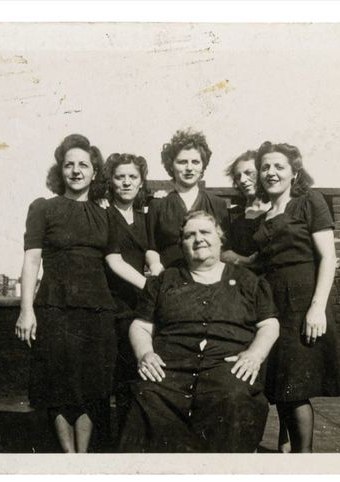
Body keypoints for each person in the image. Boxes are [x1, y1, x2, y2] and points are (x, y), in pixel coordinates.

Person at [119, 211, 279, 453]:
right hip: (171, 368)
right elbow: (140, 325)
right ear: (181, 244)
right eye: (189, 235)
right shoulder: (164, 281)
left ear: (220, 239)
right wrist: (145, 354)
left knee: (234, 397)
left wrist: (255, 354)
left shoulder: (247, 281)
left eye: (205, 232)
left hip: (226, 366)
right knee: (147, 395)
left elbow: (269, 324)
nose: (198, 239)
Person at [15, 133, 118, 453]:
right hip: (55, 309)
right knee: (57, 386)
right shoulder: (43, 208)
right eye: (69, 164)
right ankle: (67, 458)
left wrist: (154, 285)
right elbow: (32, 259)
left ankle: (82, 458)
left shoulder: (106, 214)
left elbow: (115, 261)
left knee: (90, 388)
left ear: (94, 172)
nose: (76, 171)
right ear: (60, 170)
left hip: (97, 311)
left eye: (83, 165)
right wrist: (26, 310)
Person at [252, 141, 340, 453]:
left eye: (279, 166)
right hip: (273, 305)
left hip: (302, 303)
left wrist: (316, 308)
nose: (271, 172)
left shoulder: (309, 201)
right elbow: (261, 262)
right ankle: (286, 450)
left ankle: (304, 459)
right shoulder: (265, 215)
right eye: (265, 167)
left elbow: (328, 258)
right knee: (282, 384)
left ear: (294, 172)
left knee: (294, 389)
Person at [99, 152, 151, 435]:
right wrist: (152, 288)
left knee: (142, 376)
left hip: (143, 306)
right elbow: (114, 261)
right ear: (112, 181)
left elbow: (153, 252)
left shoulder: (146, 217)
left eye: (133, 177)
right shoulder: (105, 215)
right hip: (117, 305)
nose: (127, 182)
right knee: (121, 379)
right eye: (120, 177)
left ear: (141, 181)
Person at [145, 129, 231, 275]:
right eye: (182, 162)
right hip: (170, 275)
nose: (189, 168)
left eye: (195, 162)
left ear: (203, 166)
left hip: (209, 278)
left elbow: (225, 248)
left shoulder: (217, 204)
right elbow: (151, 248)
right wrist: (155, 267)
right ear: (171, 165)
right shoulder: (158, 205)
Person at [221, 150, 270, 267]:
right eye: (238, 176)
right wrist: (246, 261)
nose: (242, 180)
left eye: (249, 173)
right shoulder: (233, 215)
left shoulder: (278, 209)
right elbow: (223, 253)